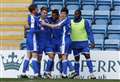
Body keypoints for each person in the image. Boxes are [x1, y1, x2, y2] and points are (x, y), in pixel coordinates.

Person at [71, 9, 96, 79]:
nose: (76, 15)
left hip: (84, 43)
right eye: (75, 14)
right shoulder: (71, 22)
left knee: (87, 56)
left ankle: (92, 74)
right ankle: (77, 75)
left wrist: (92, 42)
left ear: (80, 15)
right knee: (76, 59)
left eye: (77, 14)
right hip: (75, 44)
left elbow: (89, 32)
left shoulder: (85, 22)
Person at [20, 4, 40, 78]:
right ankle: (36, 74)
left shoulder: (33, 17)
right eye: (36, 9)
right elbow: (32, 30)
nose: (37, 10)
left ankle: (23, 73)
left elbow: (28, 27)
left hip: (29, 38)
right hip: (33, 38)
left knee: (28, 56)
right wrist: (40, 29)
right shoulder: (32, 17)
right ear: (34, 10)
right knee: (34, 56)